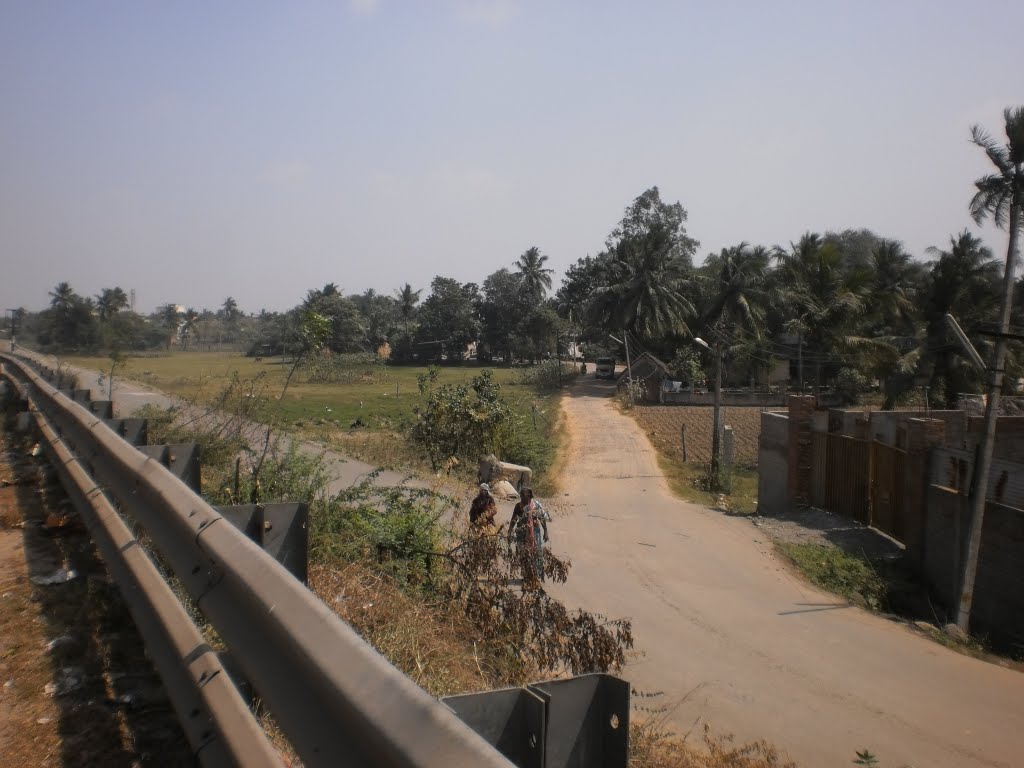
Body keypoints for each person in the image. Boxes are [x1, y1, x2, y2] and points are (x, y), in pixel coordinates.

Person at [508, 488, 550, 585]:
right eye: (522, 496)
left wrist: (546, 531)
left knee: (536, 553)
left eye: (525, 497)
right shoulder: (518, 506)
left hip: (535, 533)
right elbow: (514, 519)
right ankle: (526, 575)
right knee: (523, 554)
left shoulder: (536, 505)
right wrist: (509, 532)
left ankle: (535, 575)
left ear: (530, 496)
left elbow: (542, 518)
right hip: (521, 533)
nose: (523, 499)